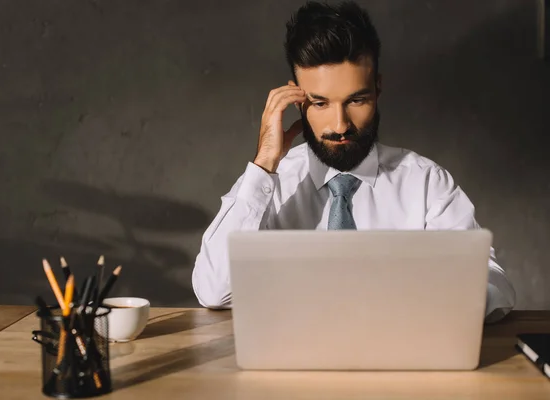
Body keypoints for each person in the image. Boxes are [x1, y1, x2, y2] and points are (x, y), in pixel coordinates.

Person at [191, 0, 516, 323]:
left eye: (356, 100)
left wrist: (424, 300)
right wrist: (263, 163)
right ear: (295, 98)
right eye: (319, 103)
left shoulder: (425, 182)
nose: (340, 124)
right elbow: (214, 290)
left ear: (378, 88)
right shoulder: (270, 184)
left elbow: (494, 283)